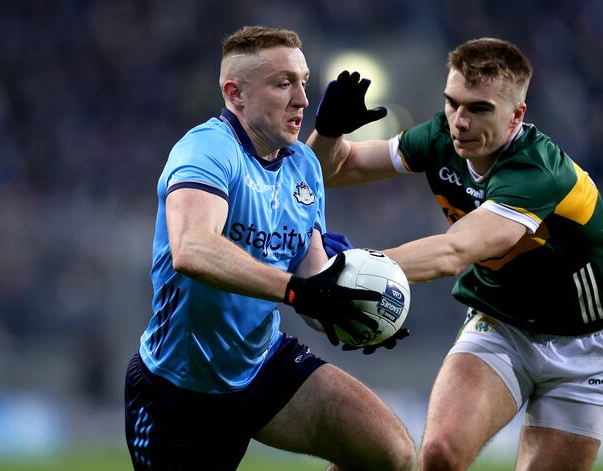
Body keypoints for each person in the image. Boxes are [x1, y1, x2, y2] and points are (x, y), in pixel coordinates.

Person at [308, 38, 603, 470]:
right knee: (440, 453)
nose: (459, 121)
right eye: (452, 103)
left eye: (478, 109)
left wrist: (350, 272)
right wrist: (328, 133)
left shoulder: (538, 172)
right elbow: (334, 169)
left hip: (584, 347)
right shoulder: (440, 136)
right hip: (500, 324)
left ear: (517, 114)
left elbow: (453, 251)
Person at [124, 26, 415, 471]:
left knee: (389, 455)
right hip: (179, 391)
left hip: (263, 366)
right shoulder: (205, 151)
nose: (301, 98)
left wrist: (355, 316)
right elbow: (193, 249)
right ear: (234, 94)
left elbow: (313, 284)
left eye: (303, 81)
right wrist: (296, 291)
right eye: (283, 83)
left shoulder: (304, 165)